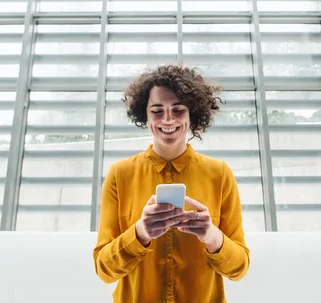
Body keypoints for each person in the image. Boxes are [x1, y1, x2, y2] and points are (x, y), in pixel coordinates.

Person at [93, 64, 250, 303]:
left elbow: (239, 269)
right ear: (144, 115)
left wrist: (212, 236)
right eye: (157, 110)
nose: (168, 119)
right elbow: (104, 270)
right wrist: (140, 233)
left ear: (192, 114)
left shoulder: (220, 174)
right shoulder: (120, 175)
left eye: (178, 109)